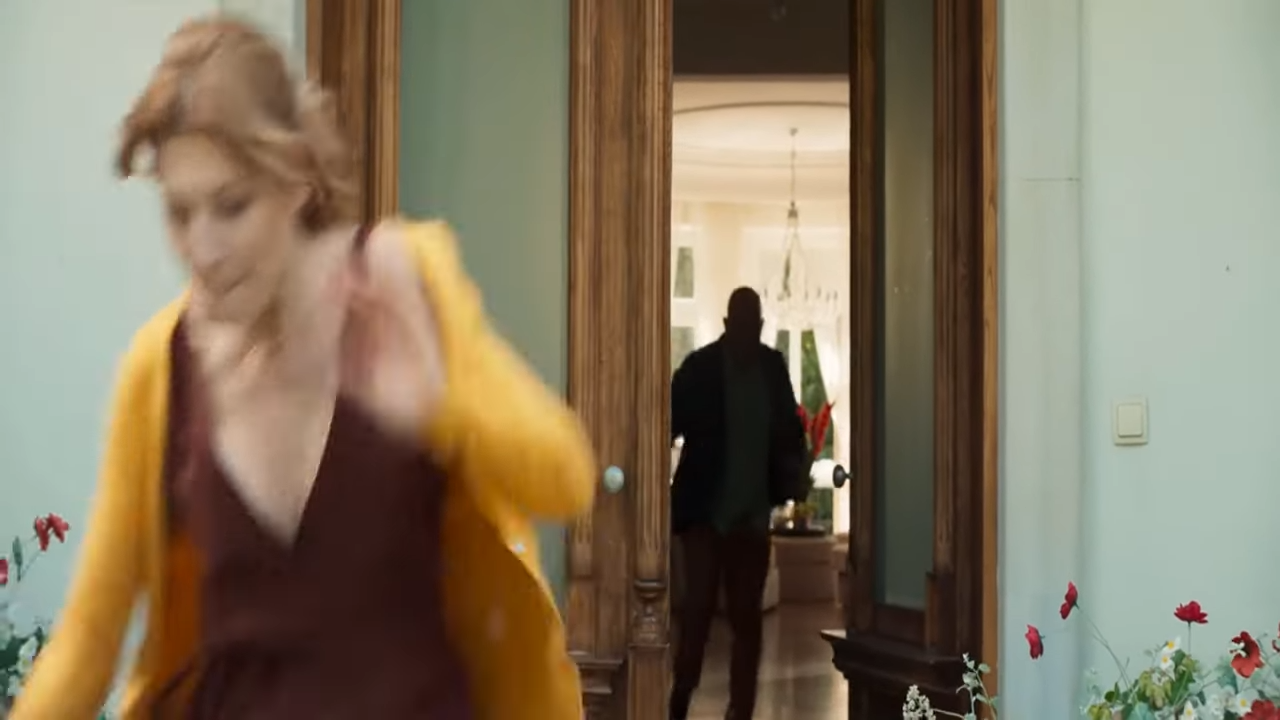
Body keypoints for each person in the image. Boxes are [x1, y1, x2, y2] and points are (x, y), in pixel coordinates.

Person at [11, 16, 596, 720]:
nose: (203, 248)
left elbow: (566, 480)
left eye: (232, 206)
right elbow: (90, 636)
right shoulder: (159, 368)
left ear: (296, 178)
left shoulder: (399, 286)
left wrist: (441, 404)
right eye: (179, 212)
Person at [668, 287, 807, 720]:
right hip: (704, 518)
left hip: (751, 519)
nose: (748, 334)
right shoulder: (700, 369)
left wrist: (793, 480)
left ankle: (740, 711)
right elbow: (666, 422)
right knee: (696, 617)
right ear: (728, 325)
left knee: (747, 623)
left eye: (753, 326)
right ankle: (678, 703)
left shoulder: (773, 368)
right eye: (741, 326)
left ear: (761, 326)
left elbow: (790, 432)